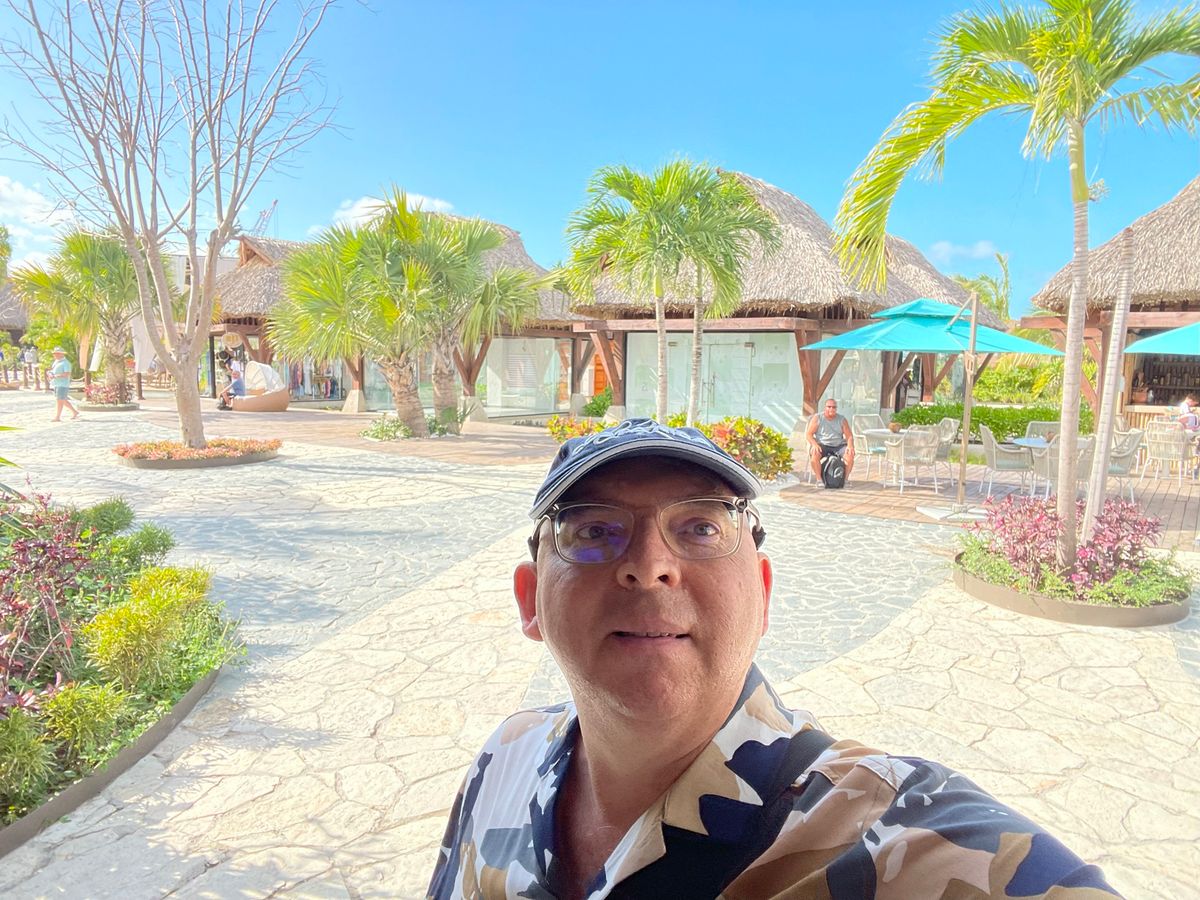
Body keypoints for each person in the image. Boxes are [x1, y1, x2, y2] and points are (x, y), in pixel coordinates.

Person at [428, 419, 1117, 899]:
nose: (649, 565)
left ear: (762, 596)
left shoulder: (887, 835)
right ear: (531, 601)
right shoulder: (503, 759)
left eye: (701, 527)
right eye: (592, 530)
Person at [805, 398, 855, 484]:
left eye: (834, 407)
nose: (831, 409)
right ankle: (819, 480)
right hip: (822, 444)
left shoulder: (841, 419)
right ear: (825, 407)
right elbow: (809, 434)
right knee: (815, 454)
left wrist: (850, 446)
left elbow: (849, 435)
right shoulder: (818, 418)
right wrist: (814, 444)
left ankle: (845, 480)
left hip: (838, 445)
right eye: (829, 407)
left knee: (850, 454)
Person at [47, 347, 78, 422]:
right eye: (54, 353)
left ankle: (57, 417)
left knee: (60, 400)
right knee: (62, 400)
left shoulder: (66, 363)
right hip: (56, 383)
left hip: (63, 384)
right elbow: (53, 371)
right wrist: (50, 374)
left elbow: (67, 374)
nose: (55, 355)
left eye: (57, 353)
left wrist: (55, 376)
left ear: (62, 354)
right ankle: (74, 412)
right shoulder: (56, 362)